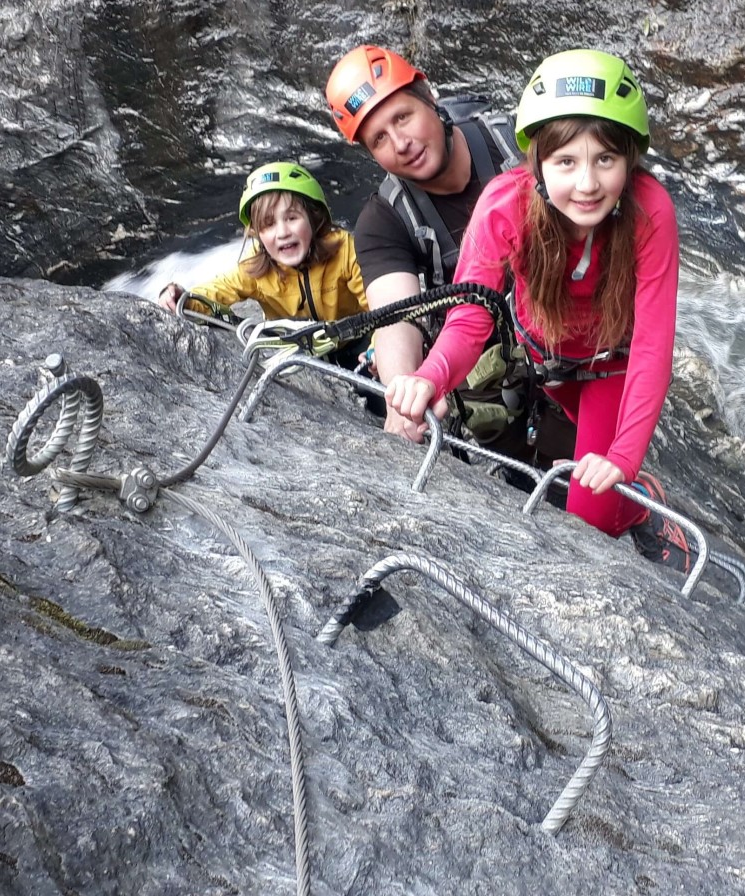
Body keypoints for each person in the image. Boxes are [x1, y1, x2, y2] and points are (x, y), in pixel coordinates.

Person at [383, 48, 688, 562]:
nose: (588, 184)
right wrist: (431, 376)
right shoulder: (506, 203)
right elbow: (471, 312)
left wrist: (624, 458)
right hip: (542, 359)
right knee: (584, 472)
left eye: (605, 160)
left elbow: (653, 346)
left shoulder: (649, 210)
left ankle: (638, 505)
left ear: (629, 160)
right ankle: (626, 493)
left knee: (591, 521)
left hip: (607, 365)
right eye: (566, 162)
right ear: (539, 163)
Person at [325, 44, 575, 466]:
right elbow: (395, 316)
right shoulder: (384, 220)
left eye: (402, 117)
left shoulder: (520, 143)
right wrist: (405, 393)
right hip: (492, 379)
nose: (401, 143)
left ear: (429, 96)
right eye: (379, 139)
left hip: (572, 340)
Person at [158, 161, 369, 367]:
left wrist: (376, 349)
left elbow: (378, 303)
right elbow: (216, 291)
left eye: (292, 218)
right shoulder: (256, 269)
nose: (283, 233)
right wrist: (181, 298)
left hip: (356, 343)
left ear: (314, 219)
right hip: (297, 356)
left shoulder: (343, 250)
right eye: (268, 224)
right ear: (257, 233)